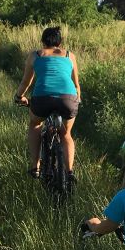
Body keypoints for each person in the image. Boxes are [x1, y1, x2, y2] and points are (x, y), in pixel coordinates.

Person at [14, 26, 81, 180]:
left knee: (35, 124)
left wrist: (19, 97)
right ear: (60, 41)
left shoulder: (35, 55)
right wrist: (77, 100)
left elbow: (26, 82)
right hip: (68, 99)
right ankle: (70, 172)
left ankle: (35, 166)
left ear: (42, 41)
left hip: (42, 98)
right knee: (66, 134)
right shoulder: (70, 55)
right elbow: (77, 85)